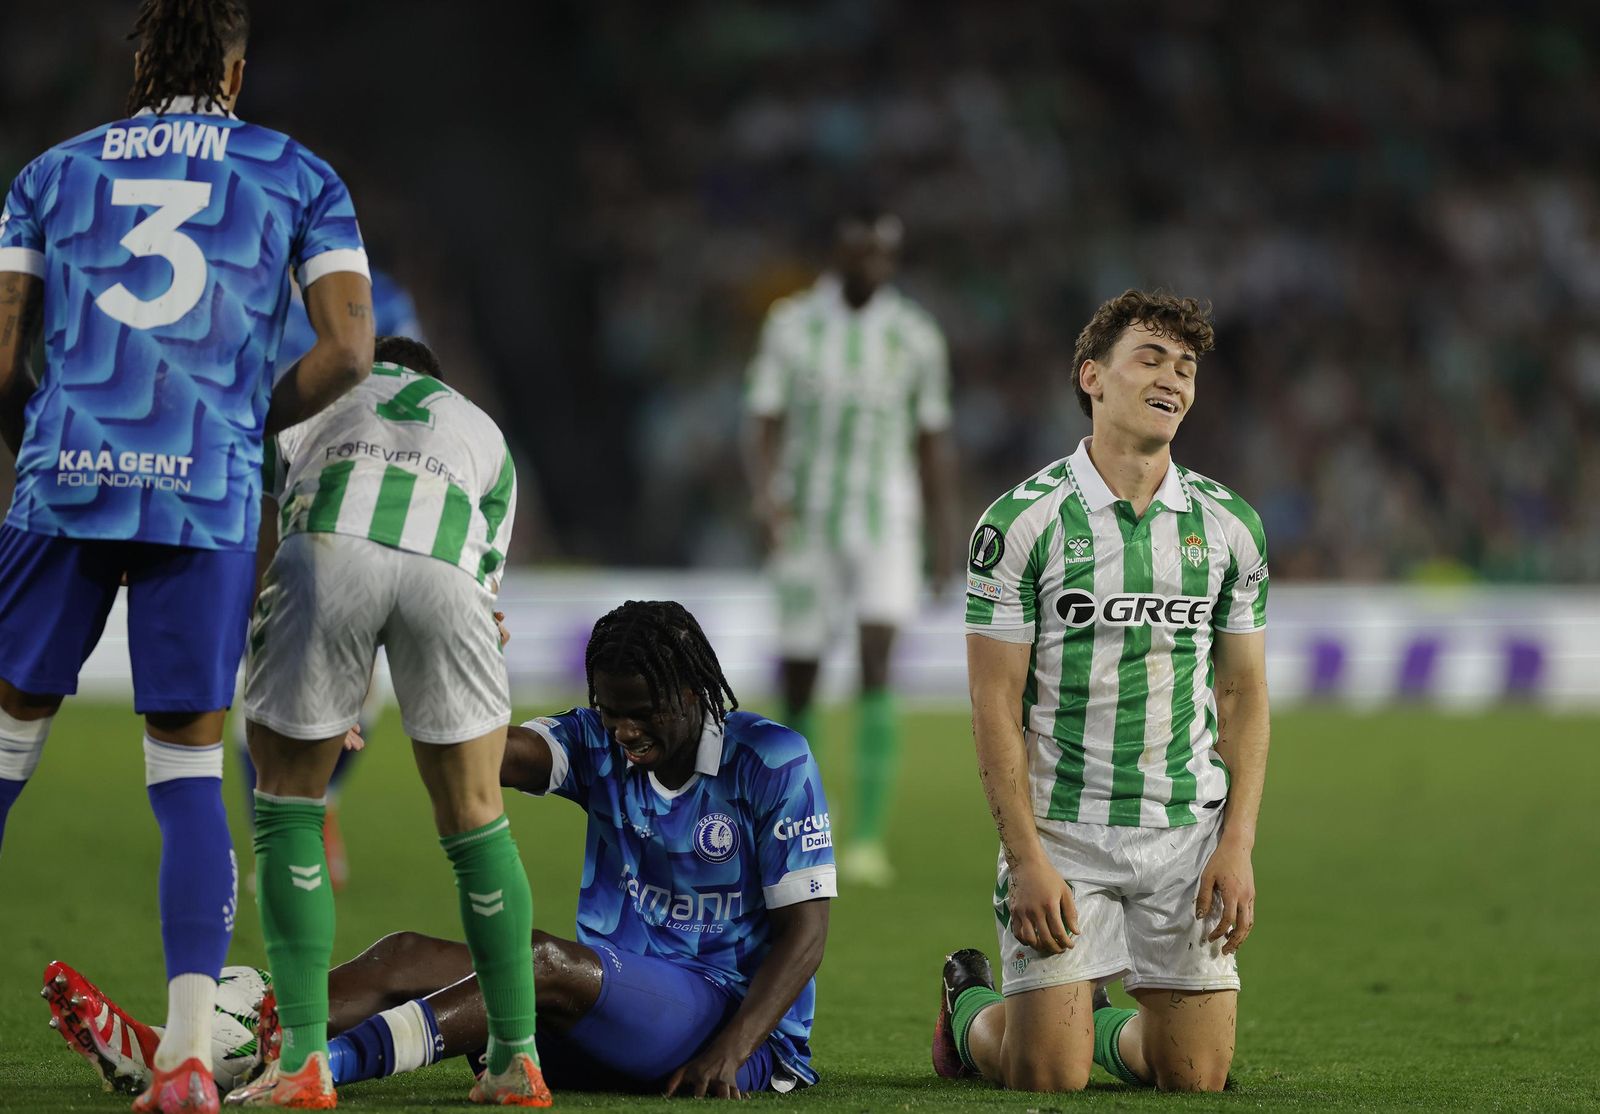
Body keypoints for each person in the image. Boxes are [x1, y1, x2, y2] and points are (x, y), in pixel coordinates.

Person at [0, 1, 374, 1110]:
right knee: (184, 779)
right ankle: (187, 1059)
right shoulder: (297, 174)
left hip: (65, 477)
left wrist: (54, 432)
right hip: (203, 491)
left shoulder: (48, 174)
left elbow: (1, 352)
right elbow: (350, 348)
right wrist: (234, 418)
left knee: (5, 749)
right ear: (236, 70)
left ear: (134, 72)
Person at [43, 600, 836, 1100]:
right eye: (611, 711)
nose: (624, 730)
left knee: (530, 962)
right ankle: (190, 1046)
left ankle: (325, 1069)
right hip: (609, 1015)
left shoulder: (770, 762)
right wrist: (433, 667)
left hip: (728, 1028)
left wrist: (733, 1051)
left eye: (642, 712)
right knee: (404, 955)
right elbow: (494, 751)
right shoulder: (600, 742)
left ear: (694, 695)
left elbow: (807, 932)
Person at [932, 290, 1270, 1093]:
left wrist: (1238, 844)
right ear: (1092, 377)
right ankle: (968, 1004)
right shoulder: (1021, 522)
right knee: (1048, 1074)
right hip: (1063, 830)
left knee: (1195, 1076)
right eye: (1150, 358)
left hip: (1184, 832)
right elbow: (994, 703)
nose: (1173, 380)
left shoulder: (1230, 526)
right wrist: (1026, 861)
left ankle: (1088, 1013)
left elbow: (1244, 694)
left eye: (1185, 368)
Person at [230, 336, 539, 1107]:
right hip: (447, 577)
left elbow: (271, 547)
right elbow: (481, 591)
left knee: (288, 807)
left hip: (326, 553)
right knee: (477, 821)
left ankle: (303, 1062)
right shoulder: (484, 432)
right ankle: (514, 1060)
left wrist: (327, 693)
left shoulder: (309, 400)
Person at [744, 205, 957, 886]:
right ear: (838, 250)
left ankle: (865, 838)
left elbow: (932, 438)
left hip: (887, 521)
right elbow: (763, 419)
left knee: (876, 659)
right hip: (807, 520)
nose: (874, 265)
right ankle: (796, 814)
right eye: (863, 251)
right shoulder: (791, 323)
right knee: (801, 671)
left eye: (885, 253)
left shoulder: (916, 336)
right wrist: (765, 495)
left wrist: (944, 534)